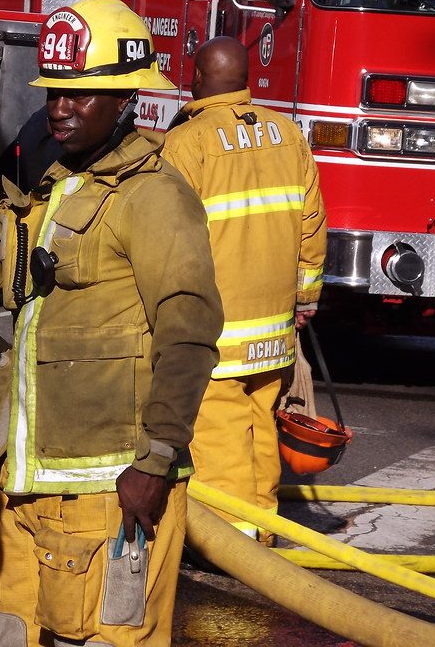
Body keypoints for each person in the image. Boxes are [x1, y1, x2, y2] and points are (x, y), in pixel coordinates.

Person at [0, 0, 223, 646]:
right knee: (11, 630)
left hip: (112, 497)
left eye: (79, 96)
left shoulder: (155, 198)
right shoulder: (56, 188)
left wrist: (156, 460)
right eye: (55, 92)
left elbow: (189, 333)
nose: (59, 108)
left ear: (125, 99)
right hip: (27, 485)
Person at [162, 36, 327, 545]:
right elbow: (312, 222)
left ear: (195, 78)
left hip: (217, 329)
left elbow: (169, 235)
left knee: (221, 435)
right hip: (273, 332)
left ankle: (229, 545)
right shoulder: (287, 133)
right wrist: (306, 297)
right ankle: (263, 530)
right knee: (259, 429)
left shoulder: (186, 144)